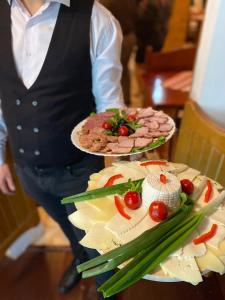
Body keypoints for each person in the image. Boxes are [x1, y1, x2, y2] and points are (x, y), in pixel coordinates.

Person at [0, 0, 124, 299]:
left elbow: (109, 104)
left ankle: (107, 287)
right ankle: (79, 259)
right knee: (70, 229)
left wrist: (122, 162)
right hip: (27, 171)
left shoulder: (97, 18)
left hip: (79, 170)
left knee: (99, 243)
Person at [100, 0, 137, 105]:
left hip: (117, 38)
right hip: (129, 36)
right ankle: (126, 100)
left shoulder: (106, 3)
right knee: (124, 69)